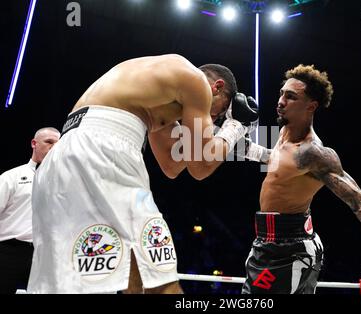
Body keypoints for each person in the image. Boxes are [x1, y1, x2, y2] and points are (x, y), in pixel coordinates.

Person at [27, 54, 258, 294]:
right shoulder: (197, 81)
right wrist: (234, 127)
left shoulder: (154, 94)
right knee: (157, 274)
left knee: (94, 278)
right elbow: (201, 166)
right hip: (103, 151)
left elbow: (172, 166)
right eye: (219, 114)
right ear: (217, 87)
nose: (213, 120)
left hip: (62, 158)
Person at [240, 64, 361, 294]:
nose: (281, 101)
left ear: (311, 106)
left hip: (290, 249)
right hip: (267, 242)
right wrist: (244, 147)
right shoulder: (285, 132)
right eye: (282, 93)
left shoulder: (313, 152)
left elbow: (357, 199)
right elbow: (278, 162)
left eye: (291, 97)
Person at [0, 127, 60, 294]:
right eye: (49, 142)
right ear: (34, 143)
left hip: (44, 253)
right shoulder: (12, 177)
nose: (54, 147)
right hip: (8, 251)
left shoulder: (65, 182)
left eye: (58, 144)